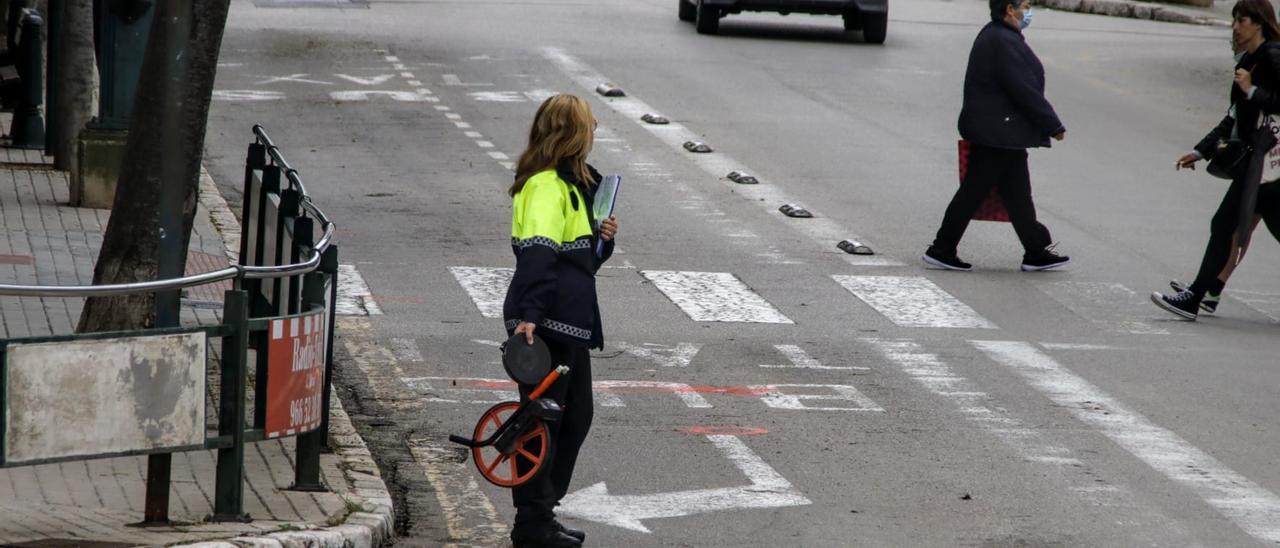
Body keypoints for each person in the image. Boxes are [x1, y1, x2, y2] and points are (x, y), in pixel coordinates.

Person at [502, 94, 618, 548]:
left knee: (573, 419)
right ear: (573, 132)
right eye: (590, 123)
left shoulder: (576, 185)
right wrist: (529, 316)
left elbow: (579, 262)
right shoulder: (548, 186)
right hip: (546, 323)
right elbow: (537, 253)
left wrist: (602, 242)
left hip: (571, 321)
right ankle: (531, 524)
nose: (596, 129)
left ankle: (542, 513)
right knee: (541, 424)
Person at [1152, 0, 1280, 320]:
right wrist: (1202, 150)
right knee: (1226, 226)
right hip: (1261, 163)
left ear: (1259, 23)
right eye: (1234, 19)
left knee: (1223, 225)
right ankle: (1202, 293)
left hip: (1270, 164)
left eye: (1243, 20)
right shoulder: (1251, 59)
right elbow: (1234, 118)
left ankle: (1197, 296)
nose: (1235, 26)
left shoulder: (1272, 56)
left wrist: (1252, 92)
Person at [923, 0, 1070, 272]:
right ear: (1009, 9)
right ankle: (941, 249)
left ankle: (1036, 251)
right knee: (973, 192)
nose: (1028, 11)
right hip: (997, 131)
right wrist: (1052, 124)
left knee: (1018, 195)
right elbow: (1023, 88)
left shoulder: (1000, 35)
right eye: (1024, 5)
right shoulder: (1001, 40)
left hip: (1002, 131)